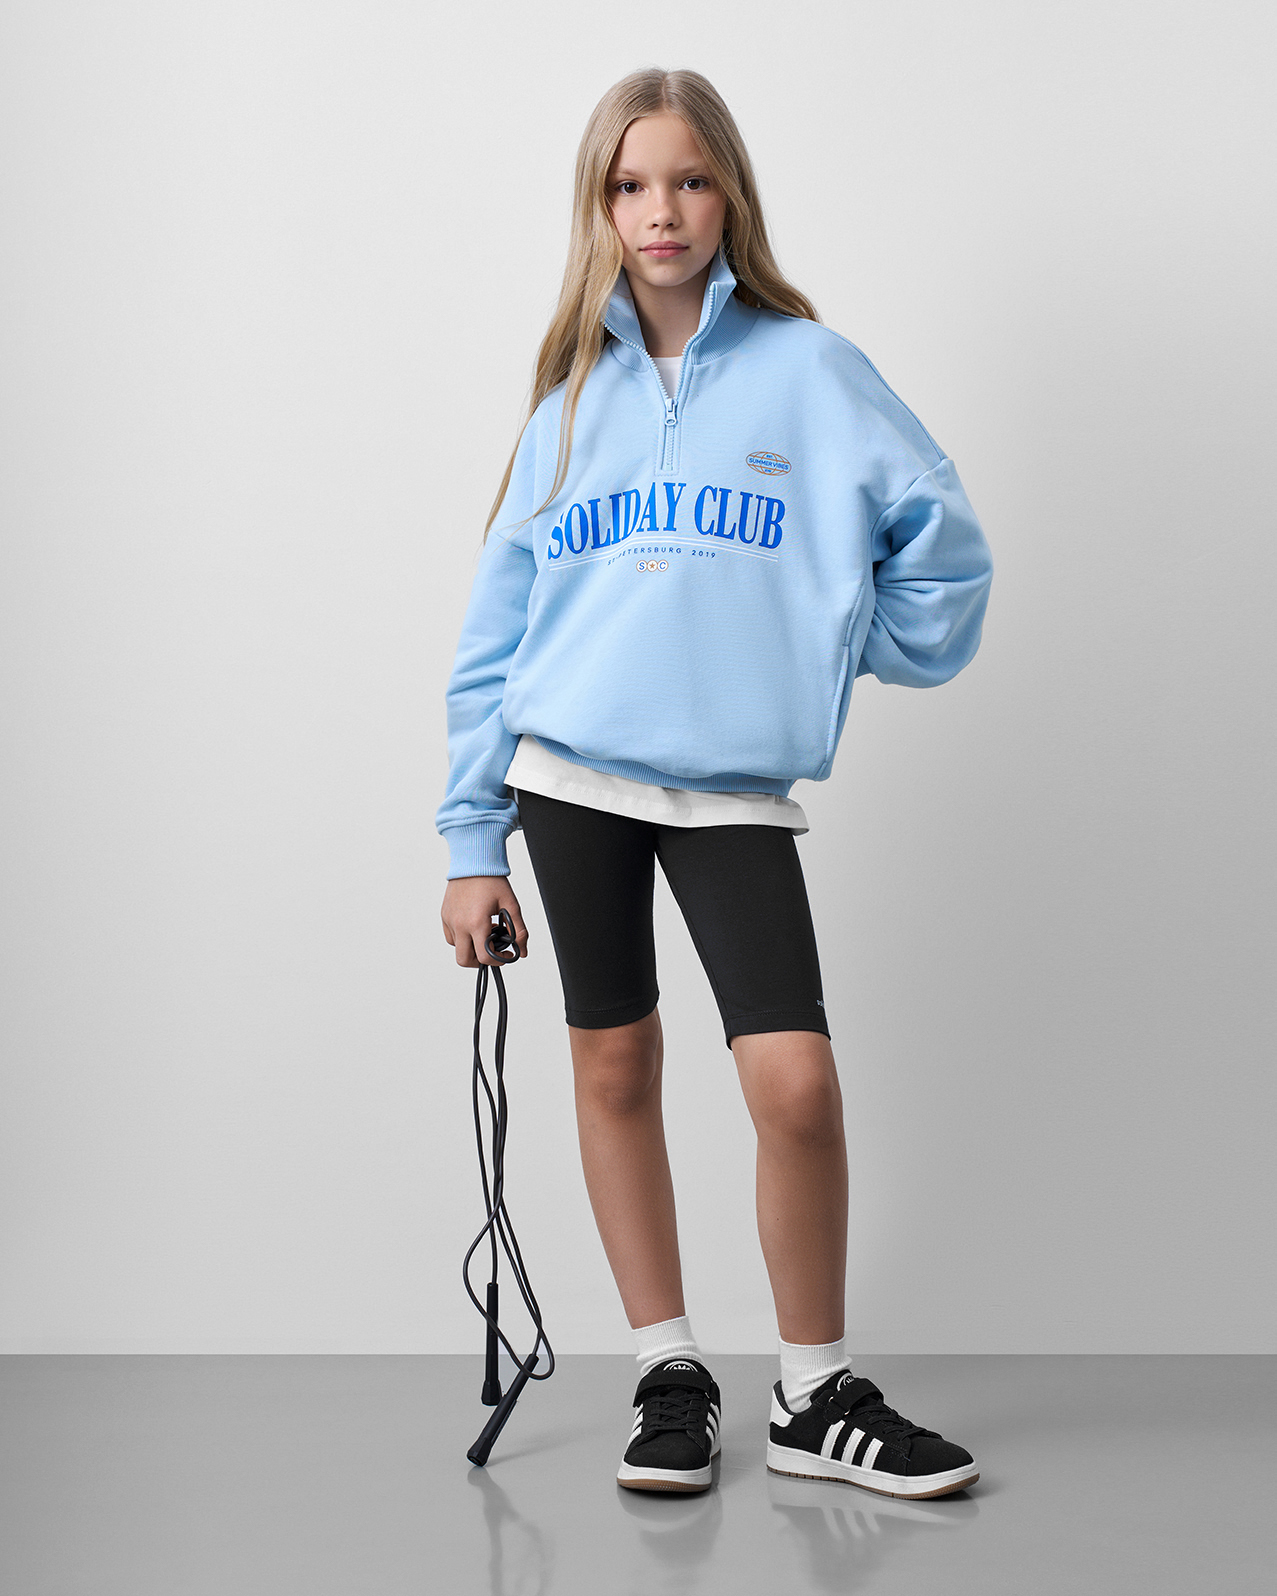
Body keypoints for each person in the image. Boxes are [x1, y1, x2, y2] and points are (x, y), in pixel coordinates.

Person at [436, 66, 993, 1499]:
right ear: (599, 207)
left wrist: (836, 638)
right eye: (629, 185)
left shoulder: (813, 372)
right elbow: (496, 637)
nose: (660, 211)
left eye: (687, 179)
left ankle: (813, 1391)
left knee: (792, 1083)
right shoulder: (567, 399)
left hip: (730, 788)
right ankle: (665, 1368)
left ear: (728, 193)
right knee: (614, 1063)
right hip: (566, 778)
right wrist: (471, 840)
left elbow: (944, 550)